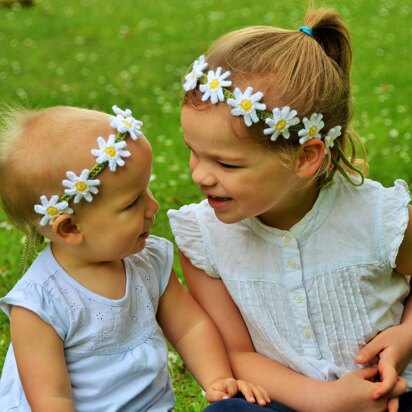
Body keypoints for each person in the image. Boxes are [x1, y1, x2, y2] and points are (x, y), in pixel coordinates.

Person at [167, 7, 412, 412]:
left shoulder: (378, 218)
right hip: (286, 400)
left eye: (226, 164)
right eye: (193, 152)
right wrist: (325, 400)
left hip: (390, 393)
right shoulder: (204, 239)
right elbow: (237, 354)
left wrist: (405, 338)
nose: (200, 176)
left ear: (305, 157)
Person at [0, 105, 271, 411]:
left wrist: (216, 377)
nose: (152, 206)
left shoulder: (147, 260)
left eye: (147, 190)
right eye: (132, 202)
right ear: (71, 228)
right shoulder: (41, 305)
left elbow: (189, 326)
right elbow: (51, 399)